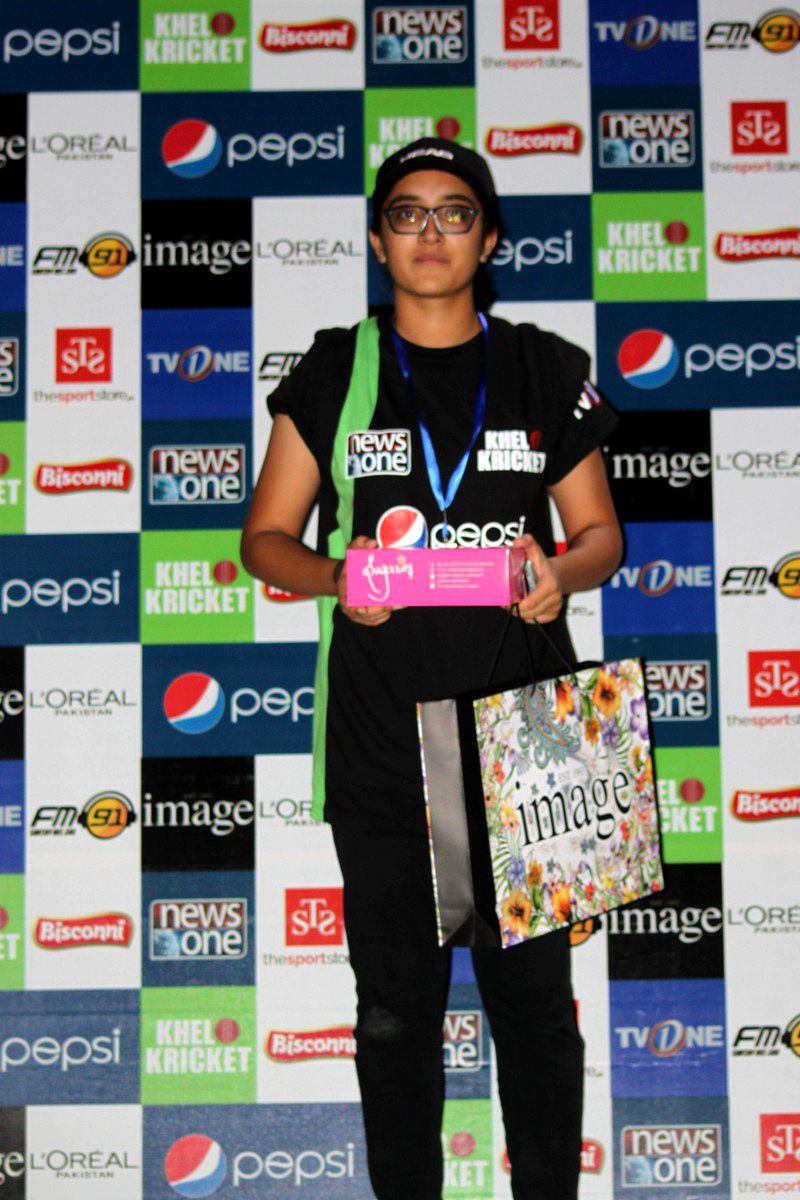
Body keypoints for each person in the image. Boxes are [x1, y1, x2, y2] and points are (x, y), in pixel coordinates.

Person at [241, 137, 623, 1200]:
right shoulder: (335, 369)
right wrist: (336, 577)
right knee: (395, 1009)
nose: (430, 233)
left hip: (529, 739)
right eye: (406, 213)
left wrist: (558, 572)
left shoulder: (543, 365)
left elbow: (600, 534)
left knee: (534, 1009)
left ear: (488, 238)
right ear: (377, 240)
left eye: (454, 213)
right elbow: (264, 539)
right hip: (380, 736)